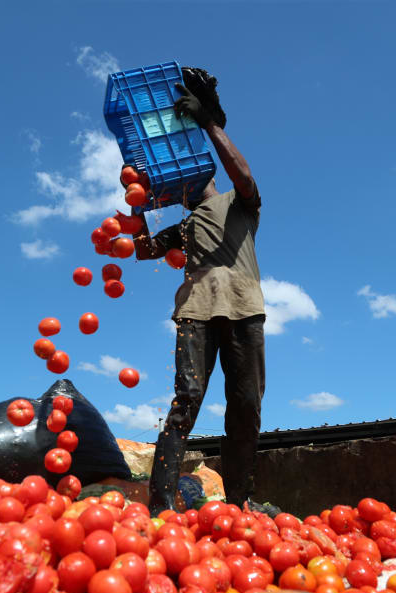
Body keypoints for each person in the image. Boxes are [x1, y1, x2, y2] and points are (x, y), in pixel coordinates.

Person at [128, 68, 271, 515]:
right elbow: (141, 249)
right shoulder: (184, 227)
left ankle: (240, 500)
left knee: (245, 405)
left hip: (244, 308)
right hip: (196, 312)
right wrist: (132, 203)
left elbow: (242, 173)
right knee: (186, 399)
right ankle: (161, 505)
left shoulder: (238, 202)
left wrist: (210, 123)